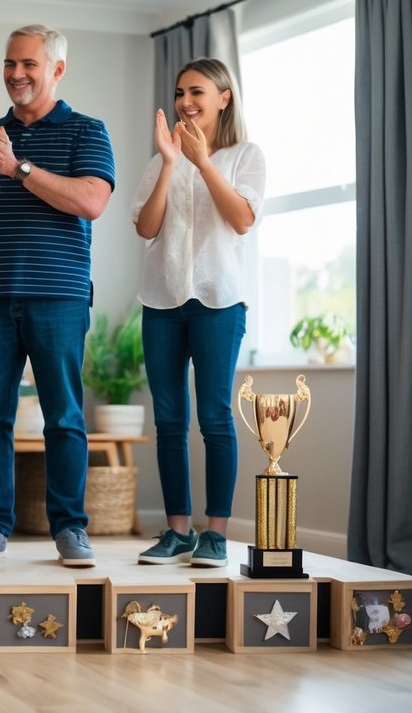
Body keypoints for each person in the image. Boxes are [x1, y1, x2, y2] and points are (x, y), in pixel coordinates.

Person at [0, 24, 114, 568]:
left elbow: (91, 201)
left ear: (56, 70)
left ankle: (70, 529)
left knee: (64, 416)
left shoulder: (87, 131)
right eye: (10, 64)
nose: (16, 74)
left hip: (58, 296)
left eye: (29, 65)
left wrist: (17, 170)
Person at [130, 57, 266, 567]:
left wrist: (203, 161)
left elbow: (242, 219)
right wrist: (170, 162)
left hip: (218, 301)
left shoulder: (244, 156)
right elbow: (146, 228)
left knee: (213, 416)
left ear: (223, 98)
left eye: (198, 92)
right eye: (181, 92)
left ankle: (215, 534)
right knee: (169, 420)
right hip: (162, 301)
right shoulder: (158, 160)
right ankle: (177, 531)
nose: (186, 101)